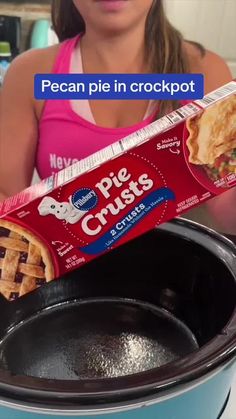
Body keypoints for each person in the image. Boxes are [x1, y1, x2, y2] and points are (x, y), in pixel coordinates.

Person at [0, 0, 235, 233]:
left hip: (173, 266)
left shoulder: (205, 73)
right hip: (61, 268)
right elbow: (7, 204)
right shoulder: (30, 74)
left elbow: (226, 211)